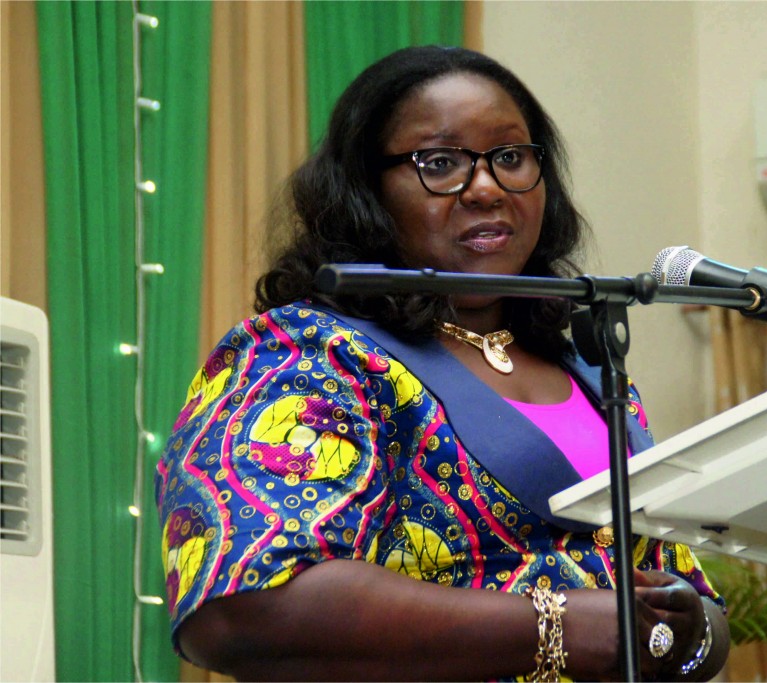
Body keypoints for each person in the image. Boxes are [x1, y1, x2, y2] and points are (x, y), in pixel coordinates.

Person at [155, 45, 728, 681]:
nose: (486, 188)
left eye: (510, 157)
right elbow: (242, 608)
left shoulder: (592, 374)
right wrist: (552, 626)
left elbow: (684, 594)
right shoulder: (307, 356)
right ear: (367, 192)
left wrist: (694, 629)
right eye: (441, 163)